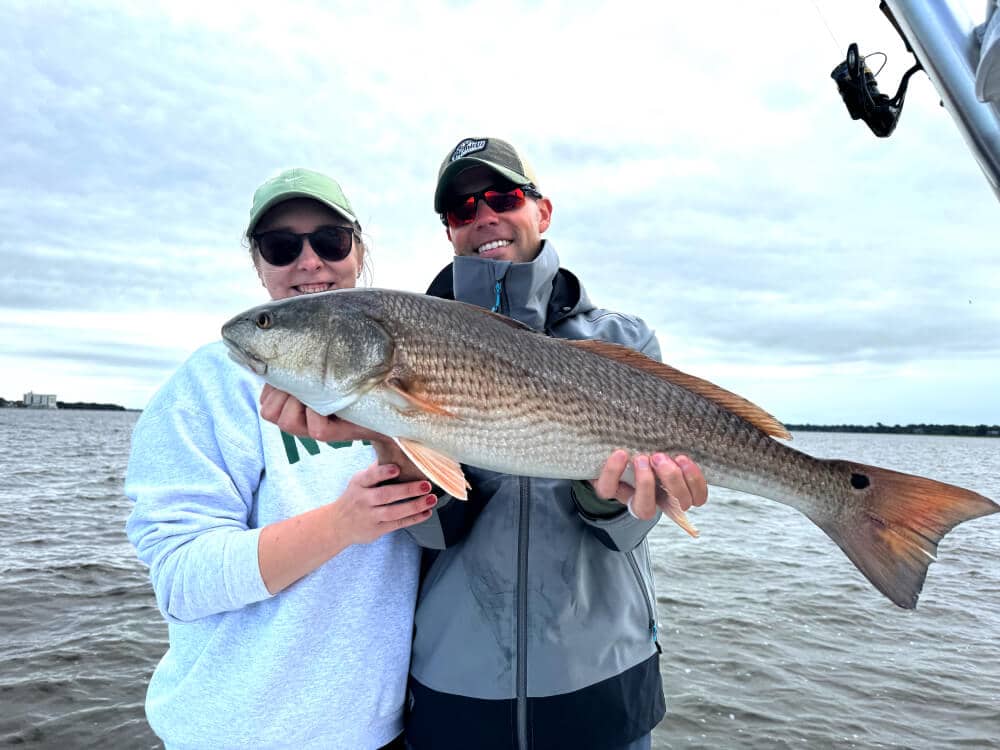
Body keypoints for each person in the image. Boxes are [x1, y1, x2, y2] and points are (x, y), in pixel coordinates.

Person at [262, 139, 709, 750]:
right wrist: (386, 437)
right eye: (461, 209)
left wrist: (613, 501)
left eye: (502, 197)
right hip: (457, 694)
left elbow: (627, 534)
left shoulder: (623, 340)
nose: (483, 217)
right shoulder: (412, 334)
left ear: (542, 211)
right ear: (449, 231)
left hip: (606, 680)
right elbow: (435, 533)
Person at [124, 168, 435, 750]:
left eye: (330, 240)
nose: (309, 261)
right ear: (259, 264)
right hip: (236, 734)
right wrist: (340, 525)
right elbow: (180, 578)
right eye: (282, 246)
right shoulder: (208, 383)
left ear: (359, 250)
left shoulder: (413, 363)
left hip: (380, 734)